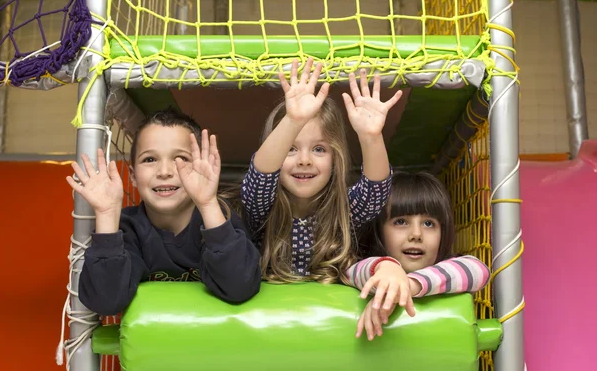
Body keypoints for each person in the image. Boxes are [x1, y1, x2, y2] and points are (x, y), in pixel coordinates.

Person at [67, 109, 261, 315]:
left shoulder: (220, 219)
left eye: (181, 158)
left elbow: (240, 287)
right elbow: (106, 301)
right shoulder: (126, 229)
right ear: (133, 176)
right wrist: (106, 215)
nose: (165, 172)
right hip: (150, 346)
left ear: (201, 166)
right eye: (150, 159)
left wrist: (207, 203)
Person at [241, 58, 402, 283]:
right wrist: (292, 121)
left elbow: (375, 191)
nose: (304, 160)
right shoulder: (264, 209)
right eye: (290, 149)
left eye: (319, 149)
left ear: (336, 159)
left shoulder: (343, 211)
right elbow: (260, 178)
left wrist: (371, 137)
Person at [346, 171, 490, 340]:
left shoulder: (449, 269)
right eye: (401, 222)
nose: (416, 234)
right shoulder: (367, 266)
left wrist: (408, 285)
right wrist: (386, 268)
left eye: (429, 224)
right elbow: (349, 272)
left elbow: (479, 271)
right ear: (378, 230)